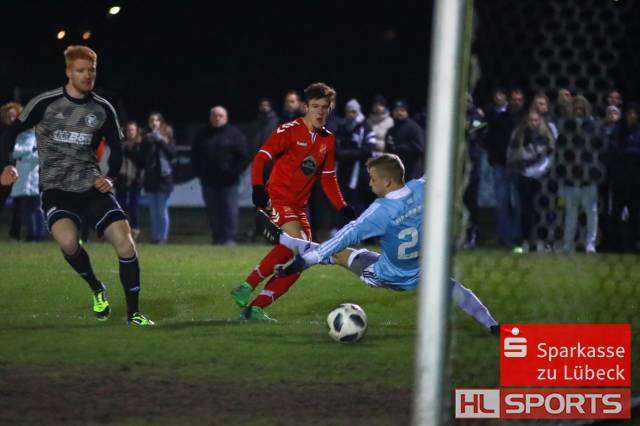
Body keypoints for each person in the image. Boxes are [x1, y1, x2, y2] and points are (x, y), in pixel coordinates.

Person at [0, 45, 153, 325]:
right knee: (69, 243)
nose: (87, 75)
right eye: (81, 70)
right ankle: (97, 288)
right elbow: (10, 132)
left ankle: (134, 314)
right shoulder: (45, 103)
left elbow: (116, 148)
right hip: (56, 190)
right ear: (68, 72)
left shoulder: (102, 108)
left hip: (91, 187)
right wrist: (7, 164)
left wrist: (110, 177)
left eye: (91, 70)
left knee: (126, 244)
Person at [266, 154, 498, 335]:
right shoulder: (422, 189)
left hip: (387, 274)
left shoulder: (379, 211)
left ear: (387, 181)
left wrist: (301, 264)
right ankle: (492, 325)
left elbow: (339, 239)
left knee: (338, 254)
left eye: (373, 179)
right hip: (422, 272)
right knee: (454, 288)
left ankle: (284, 240)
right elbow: (440, 168)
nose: (369, 183)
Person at [230, 82, 355, 321]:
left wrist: (342, 207)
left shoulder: (328, 140)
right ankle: (247, 285)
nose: (320, 112)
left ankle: (256, 308)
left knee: (302, 260)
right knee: (295, 244)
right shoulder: (288, 130)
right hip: (277, 198)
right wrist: (258, 188)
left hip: (299, 207)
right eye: (315, 106)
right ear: (306, 107)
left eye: (325, 107)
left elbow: (328, 178)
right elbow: (261, 158)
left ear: (330, 109)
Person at [191, 106, 250, 244]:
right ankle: (217, 238)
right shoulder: (202, 134)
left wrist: (234, 172)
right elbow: (194, 156)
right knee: (213, 211)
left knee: (229, 211)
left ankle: (229, 238)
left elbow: (244, 157)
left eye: (220, 116)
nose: (217, 118)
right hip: (208, 181)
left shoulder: (234, 134)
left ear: (226, 118)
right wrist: (200, 173)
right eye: (214, 116)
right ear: (210, 117)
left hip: (229, 182)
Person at [507, 111, 555, 253]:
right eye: (531, 120)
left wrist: (539, 170)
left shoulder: (546, 137)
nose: (533, 123)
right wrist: (522, 169)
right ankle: (524, 241)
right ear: (526, 121)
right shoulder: (519, 135)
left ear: (540, 121)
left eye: (536, 120)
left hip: (542, 178)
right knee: (525, 211)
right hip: (523, 176)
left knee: (542, 210)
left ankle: (542, 241)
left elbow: (550, 157)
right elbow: (512, 154)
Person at [141, 111, 175, 244]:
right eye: (151, 120)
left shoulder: (167, 136)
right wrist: (147, 141)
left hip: (164, 179)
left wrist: (160, 140)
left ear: (161, 122)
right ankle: (155, 238)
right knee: (153, 211)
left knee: (162, 210)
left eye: (157, 120)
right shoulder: (146, 138)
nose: (154, 123)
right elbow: (142, 157)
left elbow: (171, 154)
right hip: (150, 178)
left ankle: (163, 237)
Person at [10, 128, 46, 241]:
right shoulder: (20, 136)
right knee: (26, 209)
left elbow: (39, 156)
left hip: (35, 180)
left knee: (38, 209)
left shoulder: (39, 137)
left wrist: (24, 155)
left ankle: (40, 234)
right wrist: (30, 151)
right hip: (23, 180)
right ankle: (30, 235)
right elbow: (14, 152)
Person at [116, 121, 144, 240]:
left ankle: (135, 229)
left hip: (135, 180)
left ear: (136, 131)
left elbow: (142, 161)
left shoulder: (141, 144)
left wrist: (128, 150)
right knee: (120, 206)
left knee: (134, 206)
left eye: (132, 130)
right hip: (121, 179)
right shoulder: (120, 144)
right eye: (128, 130)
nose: (130, 132)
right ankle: (122, 230)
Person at [0, 102, 24, 238]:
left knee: (19, 205)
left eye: (14, 116)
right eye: (9, 116)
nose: (11, 119)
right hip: (3, 171)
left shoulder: (22, 132)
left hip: (19, 172)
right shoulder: (3, 131)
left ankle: (15, 233)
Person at [385, 100, 426, 180]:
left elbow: (420, 148)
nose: (399, 113)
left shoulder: (414, 128)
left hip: (412, 171)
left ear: (407, 112)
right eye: (396, 110)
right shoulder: (391, 130)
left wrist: (399, 148)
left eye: (402, 110)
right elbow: (388, 150)